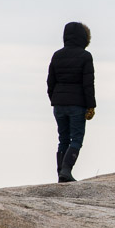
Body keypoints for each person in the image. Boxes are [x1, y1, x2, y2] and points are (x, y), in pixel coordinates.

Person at [47, 22, 96, 183]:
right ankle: (66, 171)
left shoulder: (57, 55)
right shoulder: (85, 56)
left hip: (59, 105)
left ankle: (61, 173)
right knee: (76, 139)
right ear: (84, 37)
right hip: (77, 105)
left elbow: (50, 82)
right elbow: (88, 84)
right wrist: (91, 105)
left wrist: (55, 100)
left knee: (63, 139)